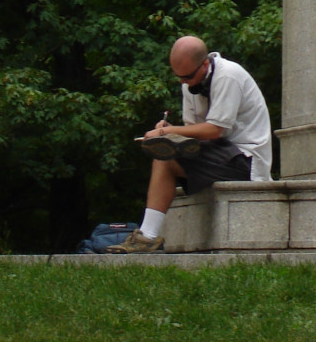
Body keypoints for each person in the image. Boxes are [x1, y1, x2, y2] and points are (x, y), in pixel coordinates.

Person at [107, 35, 272, 253]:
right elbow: (194, 135)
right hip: (220, 153)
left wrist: (167, 130)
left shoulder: (228, 76)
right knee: (164, 154)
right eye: (179, 77)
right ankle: (147, 236)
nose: (183, 83)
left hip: (246, 160)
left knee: (166, 156)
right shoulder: (191, 84)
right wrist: (167, 135)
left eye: (187, 77)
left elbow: (214, 130)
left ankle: (147, 237)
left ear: (205, 64)